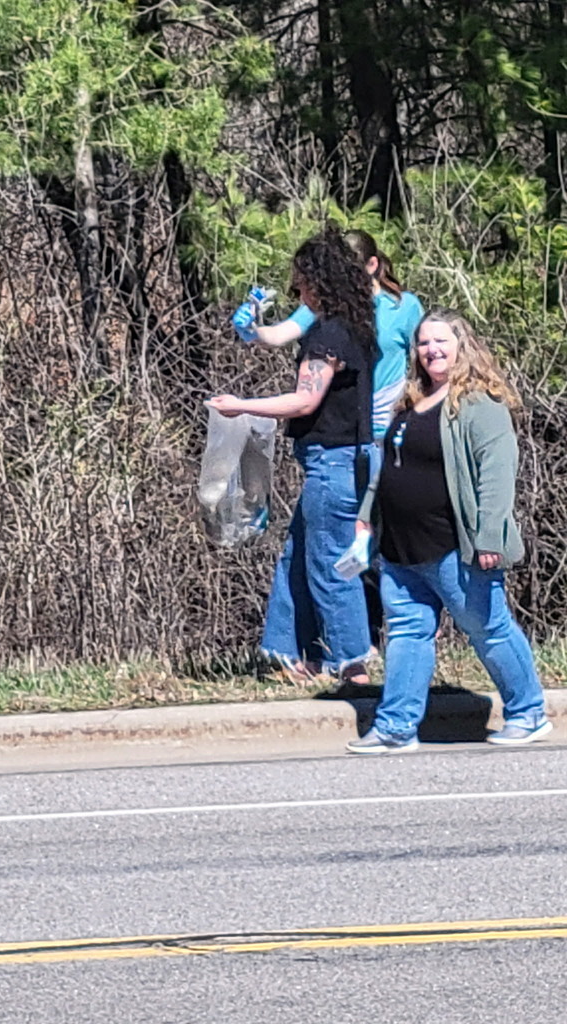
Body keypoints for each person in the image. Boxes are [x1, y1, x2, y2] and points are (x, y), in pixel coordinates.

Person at [347, 308, 552, 753]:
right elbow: (388, 468)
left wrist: (487, 539)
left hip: (454, 548)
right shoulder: (410, 401)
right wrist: (367, 513)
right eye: (423, 343)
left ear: (463, 346)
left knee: (489, 629)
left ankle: (529, 712)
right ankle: (396, 726)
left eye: (441, 341)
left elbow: (496, 476)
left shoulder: (480, 404)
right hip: (401, 548)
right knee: (405, 632)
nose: (431, 350)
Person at [209, 228, 378, 685]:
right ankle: (296, 657)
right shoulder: (353, 326)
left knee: (331, 565)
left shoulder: (329, 335)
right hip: (345, 460)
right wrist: (251, 328)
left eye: (300, 282)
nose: (295, 291)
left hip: (334, 464)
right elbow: (277, 335)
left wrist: (241, 405)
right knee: (297, 555)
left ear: (318, 281)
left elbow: (305, 400)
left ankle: (353, 667)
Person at [232, 230, 424, 448]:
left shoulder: (403, 306)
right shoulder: (329, 306)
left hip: (389, 422)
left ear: (372, 265)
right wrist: (252, 329)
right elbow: (279, 334)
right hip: (349, 426)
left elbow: (422, 361)